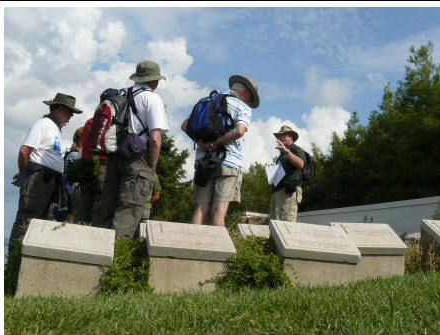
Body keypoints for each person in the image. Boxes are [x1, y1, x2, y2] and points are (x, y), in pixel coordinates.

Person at [93, 60, 169, 239]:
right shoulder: (152, 98)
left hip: (115, 157)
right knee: (127, 215)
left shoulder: (122, 94)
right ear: (155, 81)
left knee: (107, 211)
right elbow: (156, 138)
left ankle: (94, 255)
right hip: (138, 160)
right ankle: (115, 264)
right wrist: (152, 167)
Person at [8, 92, 83, 257]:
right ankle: (14, 261)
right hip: (39, 179)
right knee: (27, 220)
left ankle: (26, 258)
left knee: (41, 222)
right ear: (61, 108)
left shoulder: (54, 128)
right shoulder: (44, 124)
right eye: (70, 111)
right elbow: (25, 150)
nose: (71, 116)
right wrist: (23, 174)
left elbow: (40, 155)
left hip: (49, 180)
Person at [181, 75, 260, 227]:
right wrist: (216, 142)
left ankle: (193, 249)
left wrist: (203, 143)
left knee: (200, 209)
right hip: (229, 162)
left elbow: (185, 125)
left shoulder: (209, 101)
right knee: (219, 210)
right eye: (250, 99)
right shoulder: (242, 106)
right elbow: (239, 131)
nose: (249, 102)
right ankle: (218, 251)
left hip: (203, 162)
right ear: (245, 93)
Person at [74, 88, 117, 224]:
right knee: (100, 207)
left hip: (87, 167)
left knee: (84, 206)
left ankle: (78, 234)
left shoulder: (89, 122)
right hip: (103, 166)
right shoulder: (112, 122)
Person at [269, 125, 306, 222]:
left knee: (286, 225)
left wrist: (287, 151)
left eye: (285, 135)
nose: (281, 137)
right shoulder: (281, 155)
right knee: (274, 225)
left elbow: (300, 164)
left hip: (288, 193)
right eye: (280, 136)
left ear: (292, 137)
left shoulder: (296, 150)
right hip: (277, 193)